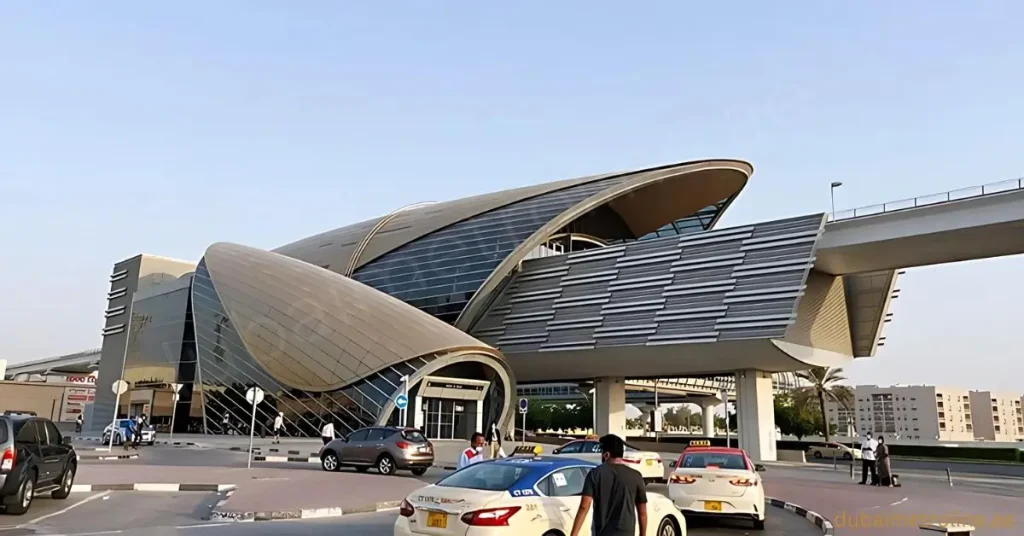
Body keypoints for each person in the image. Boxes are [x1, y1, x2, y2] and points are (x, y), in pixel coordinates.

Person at [569, 434, 647, 536]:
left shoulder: (594, 474)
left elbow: (584, 506)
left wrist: (573, 534)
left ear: (606, 455)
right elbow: (642, 513)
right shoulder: (636, 476)